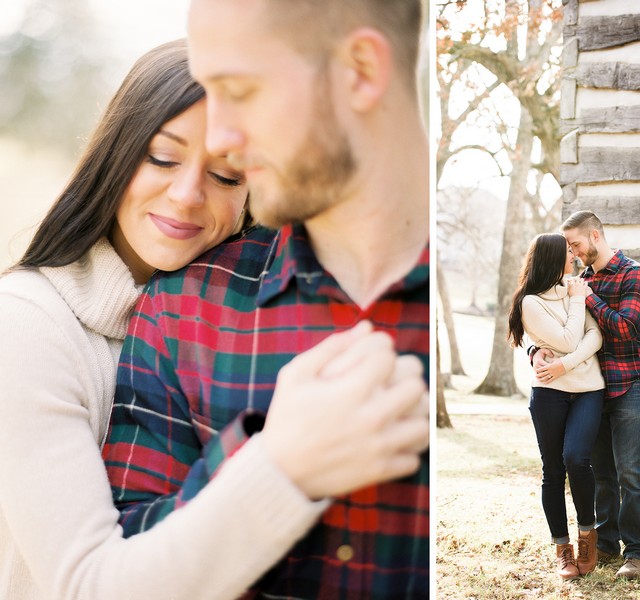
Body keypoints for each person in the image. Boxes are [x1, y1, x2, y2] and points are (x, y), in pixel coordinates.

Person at [0, 39, 426, 600]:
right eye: (162, 157)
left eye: (226, 176)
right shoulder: (28, 326)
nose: (185, 195)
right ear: (117, 152)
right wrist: (285, 464)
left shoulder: (218, 309)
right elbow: (89, 587)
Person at [548, 210, 640, 579]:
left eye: (576, 244)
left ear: (595, 236)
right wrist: (538, 351)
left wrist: (589, 298)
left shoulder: (634, 274)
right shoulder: (582, 280)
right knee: (601, 475)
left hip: (630, 385)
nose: (574, 253)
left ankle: (637, 554)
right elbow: (562, 330)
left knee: (631, 474)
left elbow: (626, 329)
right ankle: (608, 545)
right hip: (592, 392)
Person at [507, 233, 605, 580]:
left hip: (588, 389)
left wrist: (566, 364)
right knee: (553, 470)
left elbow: (594, 336)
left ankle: (587, 537)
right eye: (568, 253)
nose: (574, 257)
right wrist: (549, 349)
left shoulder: (576, 288)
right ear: (552, 257)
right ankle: (563, 549)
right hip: (549, 393)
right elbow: (567, 338)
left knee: (578, 458)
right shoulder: (530, 302)